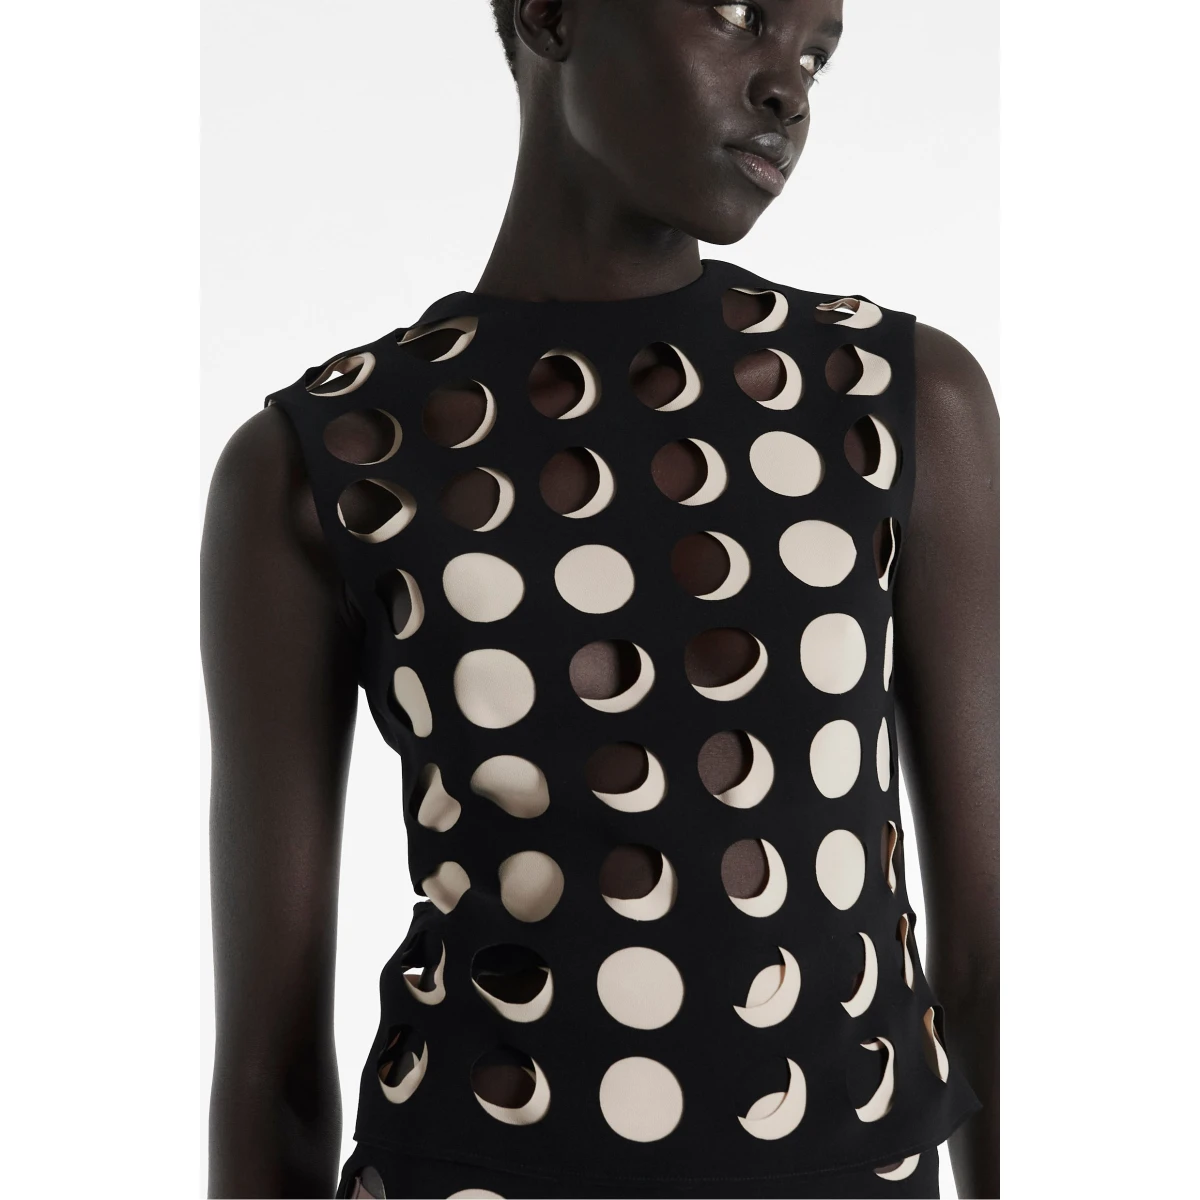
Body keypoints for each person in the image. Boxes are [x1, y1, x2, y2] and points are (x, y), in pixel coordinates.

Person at [201, 2, 999, 1197]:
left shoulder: (895, 405)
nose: (787, 88)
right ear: (551, 14)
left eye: (814, 53)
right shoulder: (329, 463)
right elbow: (268, 1068)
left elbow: (985, 962)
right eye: (738, 13)